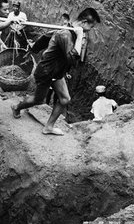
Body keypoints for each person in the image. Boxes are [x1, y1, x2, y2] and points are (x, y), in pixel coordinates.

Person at [11, 8, 100, 136]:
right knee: (38, 99)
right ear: (84, 22)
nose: (89, 30)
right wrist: (80, 36)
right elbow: (72, 58)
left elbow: (47, 36)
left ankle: (49, 127)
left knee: (65, 99)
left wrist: (35, 48)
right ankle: (16, 107)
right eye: (90, 27)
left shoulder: (69, 31)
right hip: (46, 71)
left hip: (57, 71)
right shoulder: (65, 34)